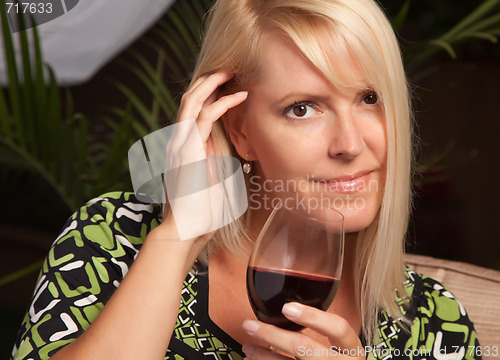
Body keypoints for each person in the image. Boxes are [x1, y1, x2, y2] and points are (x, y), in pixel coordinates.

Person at [12, 0, 481, 359]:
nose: (350, 144)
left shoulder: (435, 323)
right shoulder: (112, 238)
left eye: (369, 97)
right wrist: (178, 237)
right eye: (303, 108)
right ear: (239, 130)